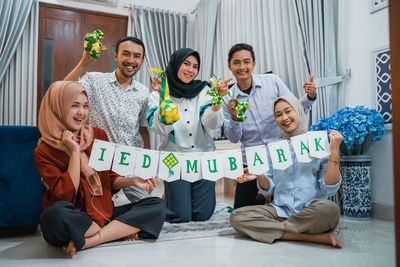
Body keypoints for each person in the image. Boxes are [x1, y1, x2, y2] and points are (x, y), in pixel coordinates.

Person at [34, 81, 166, 257]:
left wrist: (133, 180)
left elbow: (109, 179)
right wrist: (74, 151)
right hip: (75, 216)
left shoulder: (98, 135)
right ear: (58, 107)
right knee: (53, 218)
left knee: (157, 205)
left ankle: (91, 240)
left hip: (103, 212)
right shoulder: (44, 150)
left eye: (85, 106)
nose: (82, 112)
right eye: (74, 106)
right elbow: (65, 196)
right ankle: (117, 231)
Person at [230, 94, 343, 248]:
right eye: (278, 115)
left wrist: (334, 153)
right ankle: (309, 237)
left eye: (288, 111)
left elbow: (329, 187)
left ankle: (279, 231)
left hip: (311, 211)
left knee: (330, 210)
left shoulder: (319, 143)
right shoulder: (273, 148)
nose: (284, 118)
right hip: (279, 211)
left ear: (298, 111)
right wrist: (259, 174)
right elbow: (269, 189)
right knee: (237, 216)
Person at [222, 43, 317, 209]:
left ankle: (269, 201)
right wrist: (235, 117)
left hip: (281, 155)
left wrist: (310, 96)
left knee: (289, 206)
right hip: (252, 162)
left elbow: (293, 109)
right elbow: (233, 138)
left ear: (254, 64)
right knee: (240, 212)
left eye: (246, 61)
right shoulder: (228, 98)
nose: (242, 67)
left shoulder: (272, 81)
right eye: (236, 62)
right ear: (229, 66)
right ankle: (264, 201)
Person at [64, 37, 151, 203]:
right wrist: (83, 62)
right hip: (100, 160)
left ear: (142, 60)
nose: (131, 60)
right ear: (115, 56)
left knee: (151, 207)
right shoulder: (95, 80)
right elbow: (63, 90)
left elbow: (143, 129)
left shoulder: (143, 92)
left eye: (137, 56)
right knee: (100, 209)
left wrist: (147, 164)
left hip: (132, 160)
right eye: (126, 54)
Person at [147, 48, 230, 223]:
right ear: (176, 63)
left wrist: (216, 105)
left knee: (203, 215)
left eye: (195, 66)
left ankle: (175, 196)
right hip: (175, 159)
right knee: (180, 215)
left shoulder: (205, 91)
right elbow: (159, 129)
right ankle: (169, 198)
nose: (190, 70)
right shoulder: (159, 93)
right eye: (186, 64)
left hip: (203, 157)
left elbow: (213, 125)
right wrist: (164, 99)